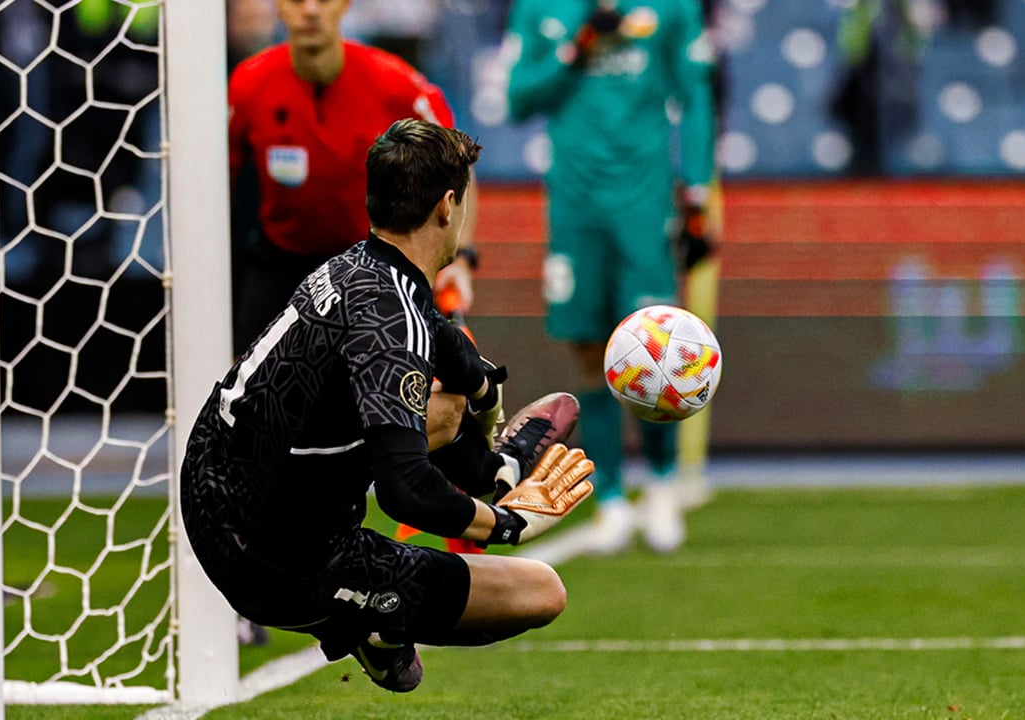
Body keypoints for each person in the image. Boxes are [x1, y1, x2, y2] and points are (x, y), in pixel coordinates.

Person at [181, 119, 595, 692]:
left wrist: (486, 398)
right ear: (449, 206)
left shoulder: (358, 267)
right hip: (277, 560)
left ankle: (495, 470)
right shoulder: (393, 323)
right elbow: (407, 491)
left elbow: (446, 345)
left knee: (436, 403)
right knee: (541, 590)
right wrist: (508, 524)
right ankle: (368, 616)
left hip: (211, 486)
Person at [505, 0, 716, 554]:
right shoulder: (541, 9)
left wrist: (696, 191)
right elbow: (518, 97)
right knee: (586, 348)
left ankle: (664, 484)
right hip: (575, 202)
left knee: (657, 348)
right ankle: (613, 499)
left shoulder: (672, 9)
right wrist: (578, 48)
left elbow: (695, 94)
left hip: (643, 200)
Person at [227, 0, 479, 359]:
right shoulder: (248, 85)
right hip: (278, 266)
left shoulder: (394, 82)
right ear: (279, 7)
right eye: (297, 1)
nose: (311, 10)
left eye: (324, 0)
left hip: (372, 268)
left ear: (344, 5)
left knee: (400, 396)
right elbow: (219, 180)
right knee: (245, 396)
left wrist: (459, 259)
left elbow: (460, 164)